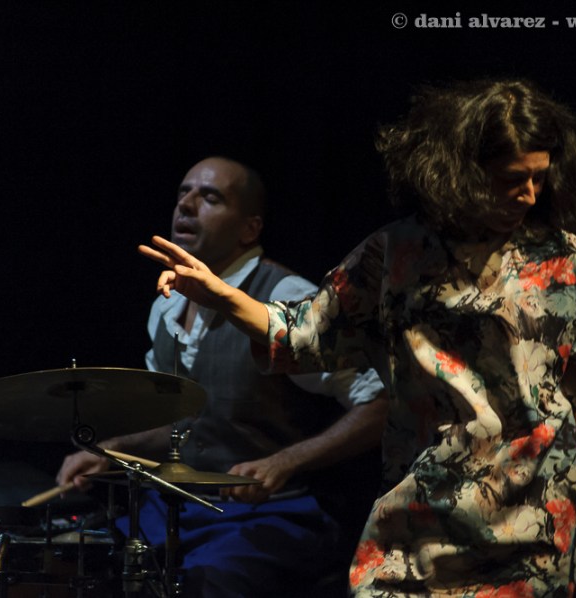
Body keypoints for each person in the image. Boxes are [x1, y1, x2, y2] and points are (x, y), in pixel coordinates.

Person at [138, 80, 576, 597]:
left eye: (538, 177)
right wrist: (221, 293)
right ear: (461, 173)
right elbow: (302, 333)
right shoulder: (396, 255)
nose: (527, 194)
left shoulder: (566, 263)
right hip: (416, 513)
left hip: (526, 522)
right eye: (510, 178)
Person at [58, 156, 388, 596]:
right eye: (183, 193)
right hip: (182, 508)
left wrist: (285, 461)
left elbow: (381, 404)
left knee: (210, 579)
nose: (186, 205)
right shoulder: (167, 304)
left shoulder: (286, 297)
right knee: (92, 557)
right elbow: (188, 426)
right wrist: (113, 452)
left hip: (273, 514)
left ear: (250, 229)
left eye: (210, 197)